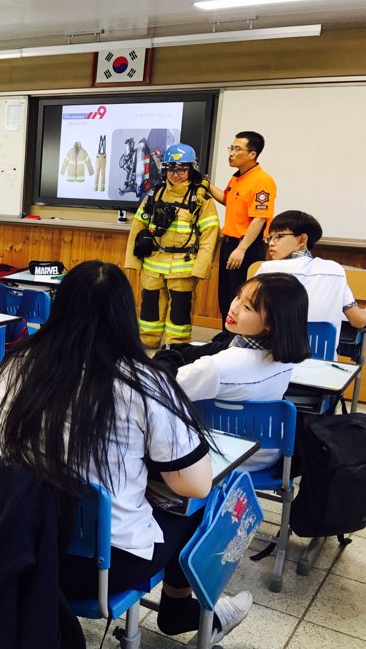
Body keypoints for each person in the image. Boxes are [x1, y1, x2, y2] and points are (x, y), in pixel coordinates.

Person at [0, 260, 252, 649]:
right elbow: (196, 484)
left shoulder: (15, 365)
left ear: (58, 308)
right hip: (96, 570)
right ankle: (182, 611)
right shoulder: (142, 382)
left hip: (13, 549)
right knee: (202, 506)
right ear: (126, 317)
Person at [155, 273, 310, 471]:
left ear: (271, 322)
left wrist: (164, 358)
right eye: (238, 296)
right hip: (266, 455)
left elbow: (158, 391)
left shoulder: (218, 366)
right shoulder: (285, 360)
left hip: (218, 458)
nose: (234, 308)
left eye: (247, 307)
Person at [124, 144, 219, 348]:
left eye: (181, 169)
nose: (175, 175)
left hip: (183, 267)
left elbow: (210, 236)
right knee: (150, 307)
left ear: (191, 169)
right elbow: (137, 227)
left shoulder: (201, 200)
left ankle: (176, 346)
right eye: (170, 169)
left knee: (180, 311)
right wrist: (133, 260)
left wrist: (201, 268)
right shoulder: (154, 194)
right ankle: (148, 342)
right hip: (153, 264)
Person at [255, 211, 366, 345]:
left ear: (302, 239)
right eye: (269, 238)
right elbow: (358, 320)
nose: (271, 243)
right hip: (322, 356)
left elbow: (249, 315)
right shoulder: (334, 270)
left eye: (279, 236)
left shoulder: (267, 270)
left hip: (273, 354)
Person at [209, 131, 277, 321]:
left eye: (237, 149)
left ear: (252, 154)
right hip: (229, 244)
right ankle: (226, 334)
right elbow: (228, 200)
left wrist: (241, 249)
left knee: (241, 296)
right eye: (231, 148)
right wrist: (207, 185)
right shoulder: (237, 178)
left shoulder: (262, 181)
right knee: (225, 296)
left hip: (246, 247)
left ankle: (237, 336)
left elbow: (260, 218)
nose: (231, 153)